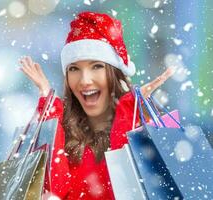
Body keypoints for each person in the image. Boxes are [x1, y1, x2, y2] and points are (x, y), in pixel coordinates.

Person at [19, 11, 175, 200]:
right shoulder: (63, 131)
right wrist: (49, 106)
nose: (85, 80)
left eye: (97, 66)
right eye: (74, 68)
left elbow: (130, 189)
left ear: (114, 73)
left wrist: (128, 112)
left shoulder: (146, 128)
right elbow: (55, 190)